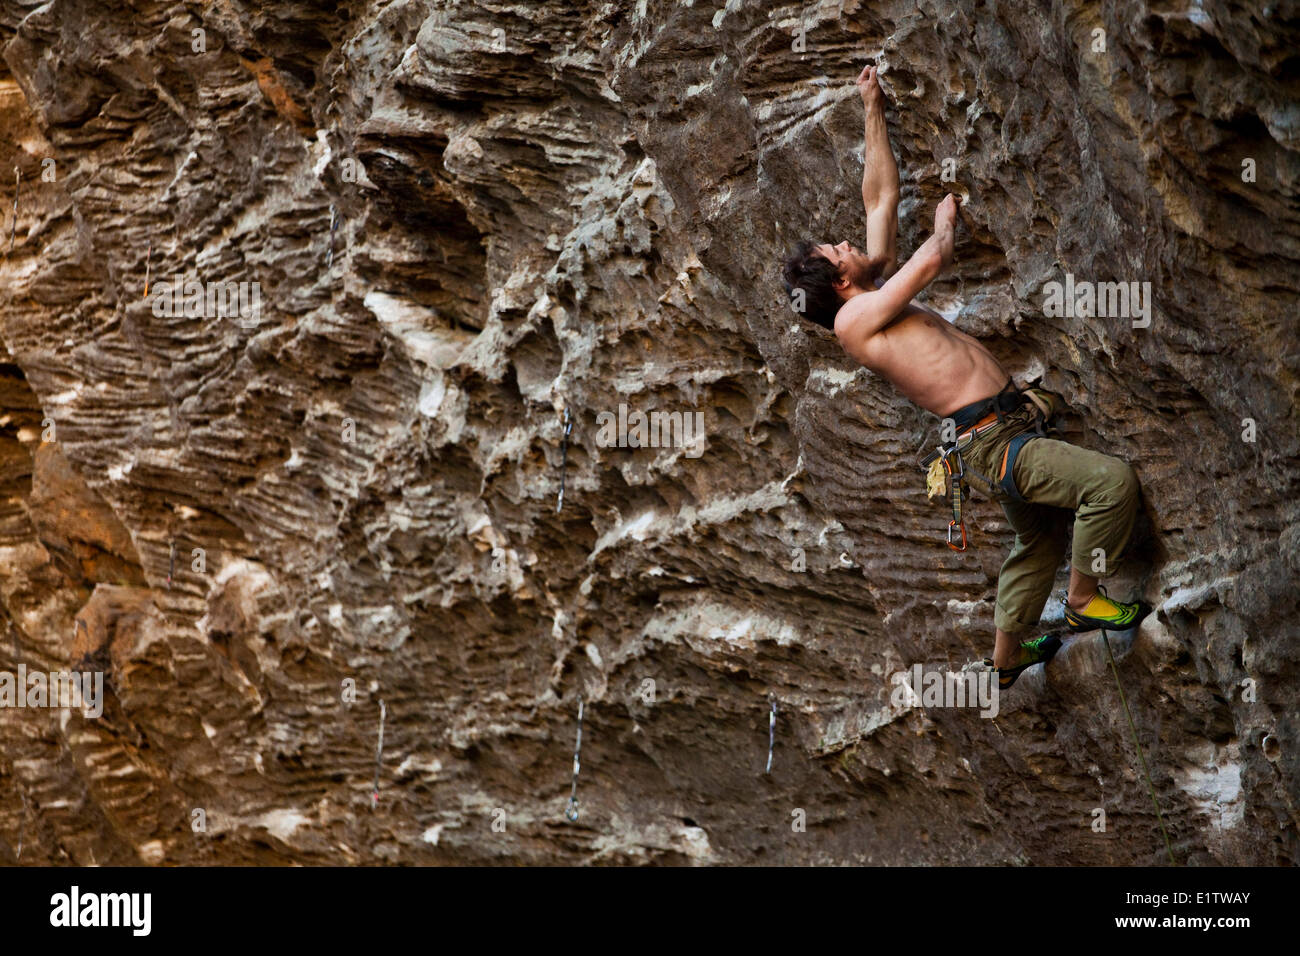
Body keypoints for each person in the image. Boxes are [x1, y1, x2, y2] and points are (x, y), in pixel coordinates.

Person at [780, 64, 1148, 689]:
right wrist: (947, 220)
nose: (846, 243)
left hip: (994, 436)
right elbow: (932, 258)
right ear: (839, 282)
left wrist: (872, 105)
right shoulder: (855, 322)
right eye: (836, 252)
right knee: (1110, 484)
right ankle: (1086, 602)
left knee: (1038, 544)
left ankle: (1005, 660)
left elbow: (880, 199)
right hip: (995, 442)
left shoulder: (870, 296)